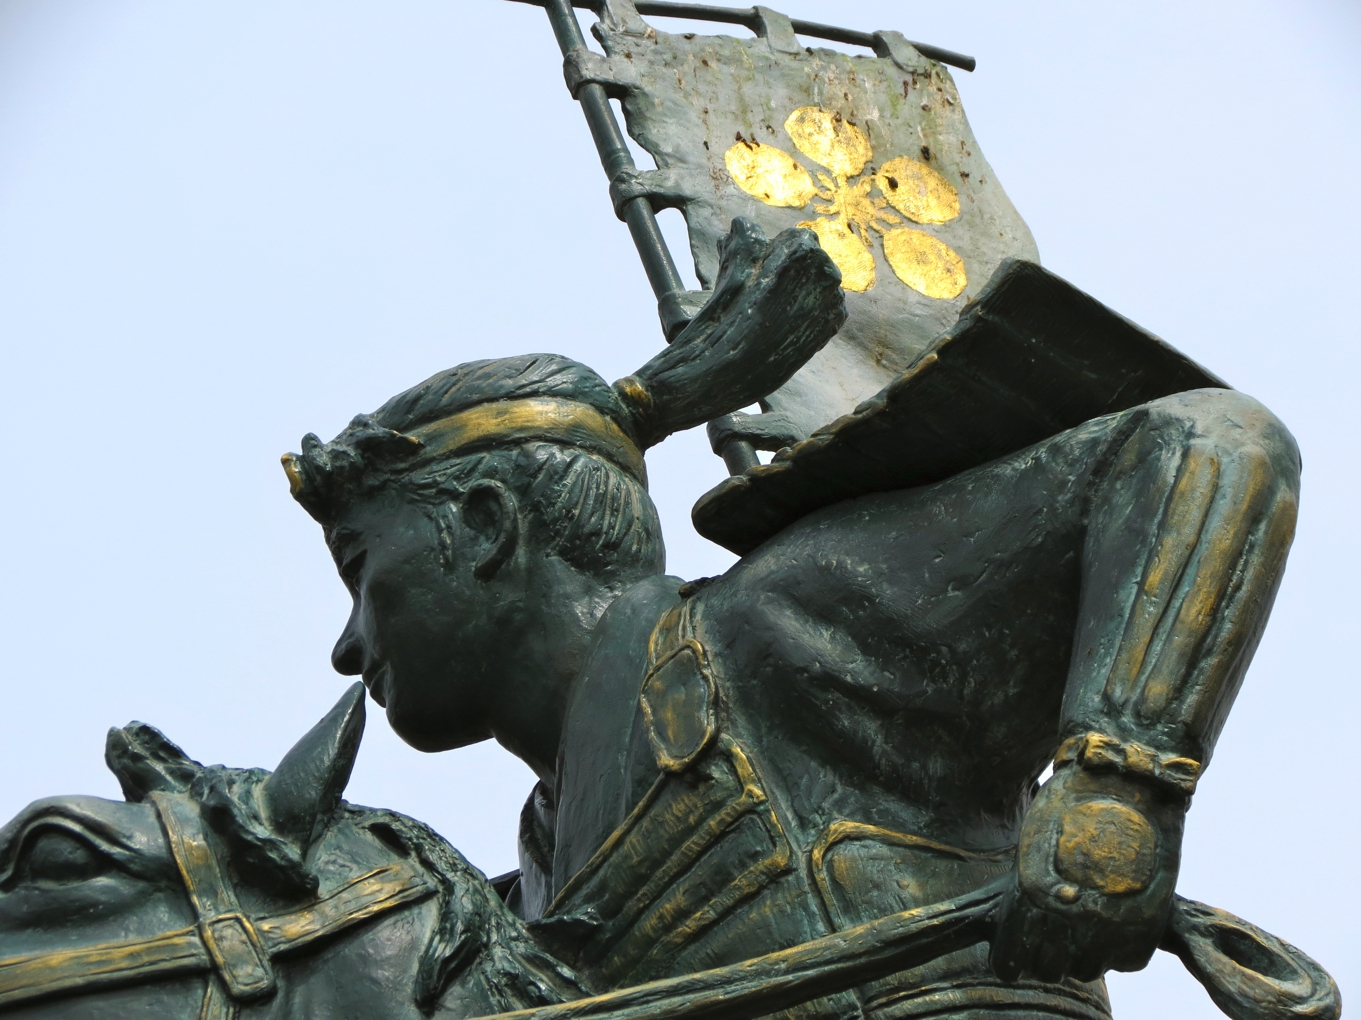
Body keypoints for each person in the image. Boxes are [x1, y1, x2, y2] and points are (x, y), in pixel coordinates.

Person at [283, 239, 1299, 1020]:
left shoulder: (778, 631)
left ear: (484, 526)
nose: (346, 642)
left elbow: (1205, 441)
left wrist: (1115, 791)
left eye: (360, 570)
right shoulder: (539, 868)